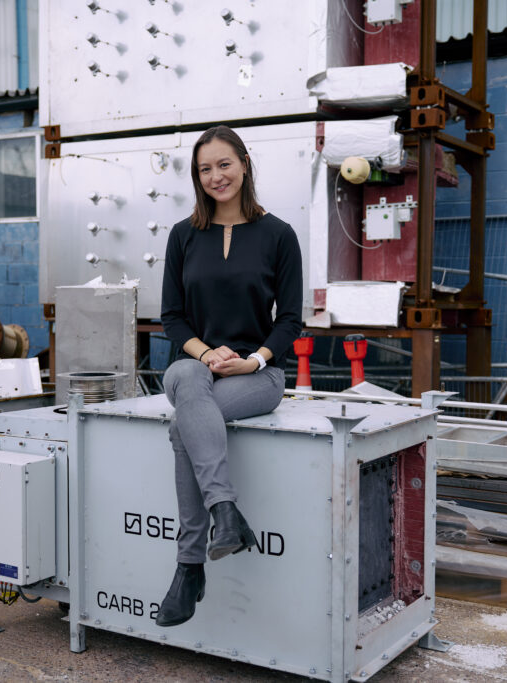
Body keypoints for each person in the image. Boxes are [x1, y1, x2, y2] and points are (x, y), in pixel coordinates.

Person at [154, 126, 303, 627]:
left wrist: (254, 360)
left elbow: (290, 320)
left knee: (185, 425)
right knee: (187, 378)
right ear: (196, 177)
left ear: (244, 163)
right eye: (205, 169)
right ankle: (225, 513)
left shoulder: (278, 235)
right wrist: (206, 353)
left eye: (224, 164)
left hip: (258, 375)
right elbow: (172, 317)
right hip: (193, 368)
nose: (216, 176)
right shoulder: (183, 235)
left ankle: (189, 566)